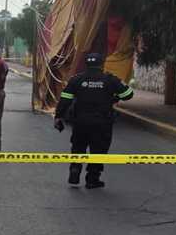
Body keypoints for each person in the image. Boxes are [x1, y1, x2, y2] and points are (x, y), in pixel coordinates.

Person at [54, 52, 134, 189]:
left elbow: (65, 99)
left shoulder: (76, 79)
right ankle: (92, 179)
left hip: (80, 122)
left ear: (87, 64)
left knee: (78, 147)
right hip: (102, 123)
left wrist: (58, 116)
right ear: (102, 64)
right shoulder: (110, 79)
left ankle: (75, 170)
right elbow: (128, 94)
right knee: (98, 151)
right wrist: (113, 98)